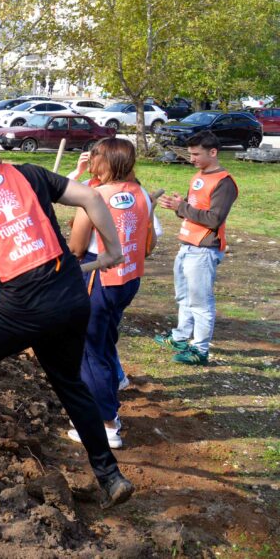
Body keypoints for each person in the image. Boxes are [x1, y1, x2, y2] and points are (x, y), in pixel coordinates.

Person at [0, 120, 134, 509]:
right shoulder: (26, 174)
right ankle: (110, 475)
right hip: (69, 297)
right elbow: (93, 199)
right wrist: (112, 253)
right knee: (70, 384)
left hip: (22, 307)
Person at [66, 138, 160, 448]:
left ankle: (104, 423)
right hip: (129, 278)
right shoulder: (142, 193)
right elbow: (151, 241)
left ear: (103, 162)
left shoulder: (95, 197)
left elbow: (77, 247)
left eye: (93, 157)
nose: (90, 162)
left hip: (98, 278)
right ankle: (107, 395)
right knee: (104, 340)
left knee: (90, 351)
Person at [154, 131, 238, 366]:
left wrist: (182, 208)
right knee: (183, 296)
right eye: (190, 154)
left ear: (213, 152)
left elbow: (214, 219)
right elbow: (195, 208)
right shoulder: (198, 176)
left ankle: (200, 349)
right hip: (187, 245)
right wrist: (178, 205)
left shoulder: (224, 182)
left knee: (201, 302)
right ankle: (181, 337)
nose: (191, 159)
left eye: (196, 154)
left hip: (204, 249)